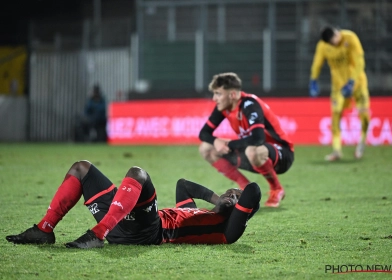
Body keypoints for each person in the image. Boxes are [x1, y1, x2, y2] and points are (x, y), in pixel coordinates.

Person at [6, 160, 261, 248]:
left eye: (238, 199)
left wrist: (237, 207)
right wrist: (219, 199)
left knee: (138, 173)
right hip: (122, 223)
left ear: (242, 211)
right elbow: (184, 184)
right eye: (232, 192)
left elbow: (253, 191)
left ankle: (97, 235)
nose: (234, 195)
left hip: (149, 233)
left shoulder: (224, 231)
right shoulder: (194, 211)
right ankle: (44, 229)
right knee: (81, 169)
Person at [198, 72, 294, 208]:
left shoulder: (250, 105)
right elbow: (204, 133)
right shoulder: (224, 107)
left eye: (218, 93)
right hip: (253, 155)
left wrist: (229, 144)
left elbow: (258, 138)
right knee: (206, 149)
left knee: (252, 150)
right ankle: (246, 189)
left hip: (282, 154)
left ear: (232, 95)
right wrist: (216, 141)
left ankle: (276, 189)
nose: (214, 98)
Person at [309, 26, 370, 161]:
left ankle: (362, 143)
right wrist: (313, 79)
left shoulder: (350, 38)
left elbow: (360, 62)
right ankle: (337, 150)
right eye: (330, 43)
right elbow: (317, 63)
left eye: (333, 41)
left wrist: (352, 81)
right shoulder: (323, 45)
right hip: (338, 86)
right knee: (335, 116)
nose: (333, 44)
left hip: (357, 83)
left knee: (365, 115)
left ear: (337, 33)